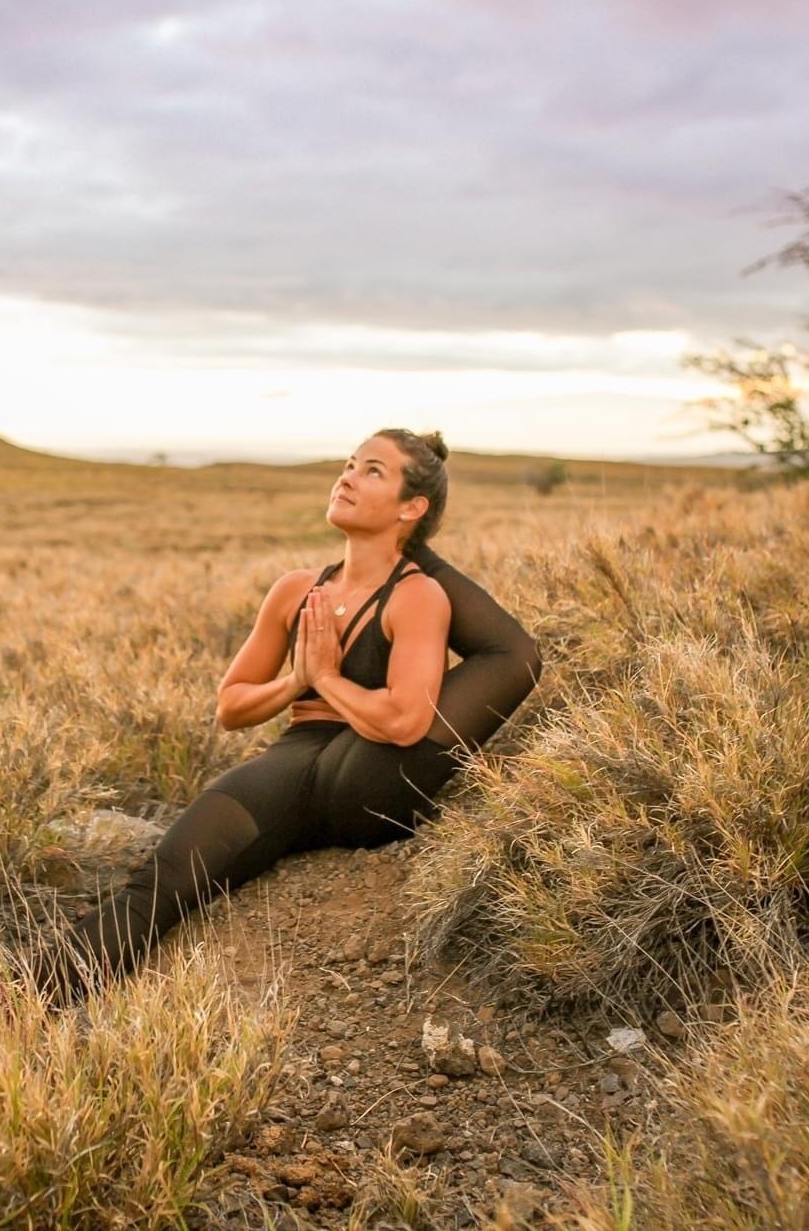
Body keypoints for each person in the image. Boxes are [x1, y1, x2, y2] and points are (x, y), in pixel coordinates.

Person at [37, 428, 541, 1002]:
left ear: (412, 507)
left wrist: (327, 678)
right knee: (166, 878)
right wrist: (296, 680)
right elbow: (231, 706)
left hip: (374, 776)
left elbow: (403, 723)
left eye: (373, 470)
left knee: (503, 662)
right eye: (350, 464)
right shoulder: (297, 590)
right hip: (297, 758)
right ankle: (24, 994)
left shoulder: (418, 595)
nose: (347, 475)